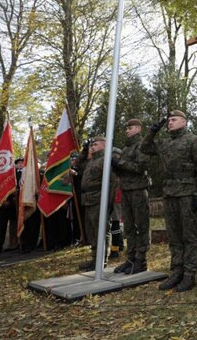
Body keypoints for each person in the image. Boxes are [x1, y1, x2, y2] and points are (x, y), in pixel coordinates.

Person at [141, 110, 197, 292]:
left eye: (173, 119)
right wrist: (152, 131)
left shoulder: (193, 141)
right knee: (174, 235)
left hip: (187, 193)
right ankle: (176, 271)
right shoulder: (165, 143)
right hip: (169, 193)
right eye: (168, 120)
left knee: (189, 235)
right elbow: (144, 148)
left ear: (184, 122)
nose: (169, 123)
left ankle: (189, 274)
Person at [111, 118, 151, 275]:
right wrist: (116, 167)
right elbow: (124, 169)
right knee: (128, 226)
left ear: (138, 129)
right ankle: (131, 258)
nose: (127, 130)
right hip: (126, 190)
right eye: (126, 128)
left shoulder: (141, 146)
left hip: (138, 190)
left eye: (130, 128)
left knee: (141, 225)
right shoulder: (127, 148)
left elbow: (140, 167)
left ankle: (141, 259)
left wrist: (120, 164)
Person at [76, 137, 119, 271]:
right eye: (91, 145)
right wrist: (84, 149)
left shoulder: (106, 160)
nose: (92, 147)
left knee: (101, 230)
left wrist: (108, 202)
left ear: (104, 145)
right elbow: (78, 164)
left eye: (95, 144)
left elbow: (113, 182)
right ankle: (95, 258)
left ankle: (102, 260)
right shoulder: (91, 161)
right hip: (88, 200)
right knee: (91, 232)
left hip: (100, 199)